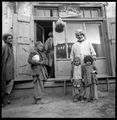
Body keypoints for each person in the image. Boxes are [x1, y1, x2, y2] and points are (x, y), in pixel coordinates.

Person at [70, 29, 97, 100]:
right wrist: (73, 62)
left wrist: (93, 57)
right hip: (78, 65)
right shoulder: (74, 45)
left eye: (80, 35)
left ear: (83, 35)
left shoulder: (88, 43)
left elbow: (93, 52)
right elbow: (71, 55)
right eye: (77, 35)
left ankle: (89, 94)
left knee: (88, 78)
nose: (79, 36)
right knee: (81, 79)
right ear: (76, 36)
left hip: (87, 64)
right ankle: (79, 95)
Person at [2, 33, 14, 107]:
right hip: (5, 69)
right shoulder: (4, 47)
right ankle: (2, 100)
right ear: (5, 40)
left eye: (11, 38)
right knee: (3, 85)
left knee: (10, 84)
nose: (10, 40)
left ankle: (5, 99)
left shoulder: (10, 47)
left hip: (10, 69)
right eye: (9, 38)